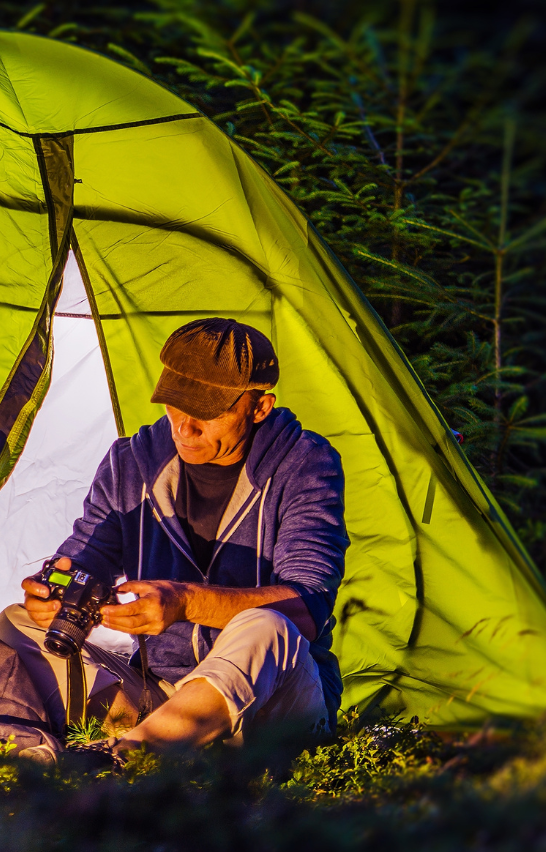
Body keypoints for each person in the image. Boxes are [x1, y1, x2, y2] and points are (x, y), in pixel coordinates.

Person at [19, 317, 347, 754]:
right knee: (16, 625)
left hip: (273, 706)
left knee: (269, 626)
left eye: (208, 413)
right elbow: (87, 557)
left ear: (259, 407)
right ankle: (113, 743)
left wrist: (186, 603)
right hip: (155, 696)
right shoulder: (131, 461)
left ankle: (124, 762)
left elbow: (308, 609)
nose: (184, 427)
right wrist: (58, 591)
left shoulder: (306, 464)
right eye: (175, 405)